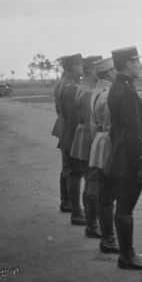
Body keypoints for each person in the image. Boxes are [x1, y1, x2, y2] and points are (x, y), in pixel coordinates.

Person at [104, 47, 142, 270]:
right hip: (128, 160)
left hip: (118, 156)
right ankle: (127, 256)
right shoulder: (126, 92)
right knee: (125, 209)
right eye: (136, 61)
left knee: (123, 208)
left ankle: (127, 254)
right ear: (128, 64)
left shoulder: (117, 88)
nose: (139, 65)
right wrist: (141, 161)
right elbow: (134, 134)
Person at [88, 56, 119, 254]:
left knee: (103, 192)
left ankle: (107, 236)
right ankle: (110, 238)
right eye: (116, 70)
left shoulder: (95, 91)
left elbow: (92, 125)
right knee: (110, 195)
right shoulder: (109, 94)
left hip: (98, 141)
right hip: (109, 143)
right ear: (109, 72)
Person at [70, 55, 103, 237]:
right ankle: (92, 225)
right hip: (87, 140)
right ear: (92, 70)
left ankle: (91, 223)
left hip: (82, 137)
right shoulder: (88, 91)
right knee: (93, 182)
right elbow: (91, 123)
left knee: (90, 182)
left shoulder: (83, 88)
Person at [57, 53, 87, 226]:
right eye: (80, 64)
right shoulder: (72, 86)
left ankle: (67, 202)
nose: (82, 67)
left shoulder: (63, 83)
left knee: (68, 169)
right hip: (72, 132)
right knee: (75, 173)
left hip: (65, 129)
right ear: (74, 66)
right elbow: (74, 116)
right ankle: (76, 212)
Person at [52, 56, 71, 213]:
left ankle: (66, 201)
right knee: (69, 167)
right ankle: (66, 202)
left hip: (62, 124)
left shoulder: (60, 81)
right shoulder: (67, 84)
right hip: (66, 126)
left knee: (66, 166)